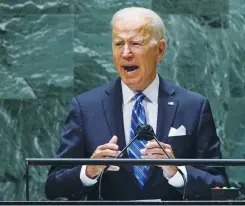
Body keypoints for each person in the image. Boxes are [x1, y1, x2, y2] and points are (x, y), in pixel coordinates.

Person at [45, 7, 228, 201]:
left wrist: (177, 171)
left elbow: (220, 185)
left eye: (135, 43)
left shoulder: (193, 107)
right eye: (118, 43)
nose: (126, 53)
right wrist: (89, 171)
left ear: (160, 50)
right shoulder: (86, 108)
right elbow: (53, 187)